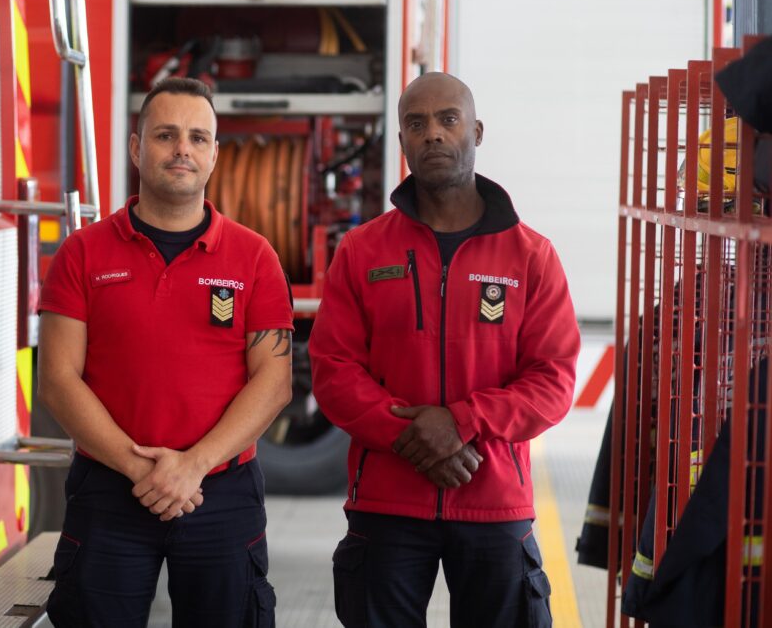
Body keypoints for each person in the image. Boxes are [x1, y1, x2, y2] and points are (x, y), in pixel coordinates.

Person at [309, 71, 580, 628]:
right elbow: (334, 369)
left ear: (476, 131)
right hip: (386, 503)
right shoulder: (362, 250)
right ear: (403, 142)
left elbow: (552, 380)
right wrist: (412, 434)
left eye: (447, 120)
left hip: (495, 500)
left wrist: (459, 422)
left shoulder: (532, 255)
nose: (432, 134)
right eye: (416, 123)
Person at [38, 77, 292, 627]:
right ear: (136, 148)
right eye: (166, 135)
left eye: (199, 138)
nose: (183, 149)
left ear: (215, 155)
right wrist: (143, 471)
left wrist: (192, 468)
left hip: (220, 493)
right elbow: (58, 379)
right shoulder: (82, 254)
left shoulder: (255, 258)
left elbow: (273, 382)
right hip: (110, 490)